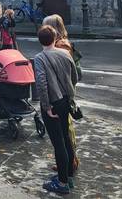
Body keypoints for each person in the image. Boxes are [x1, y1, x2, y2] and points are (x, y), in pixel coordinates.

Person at [35, 25, 78, 195]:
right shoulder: (65, 54)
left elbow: (41, 83)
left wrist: (46, 106)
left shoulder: (40, 58)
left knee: (58, 142)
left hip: (52, 103)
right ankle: (68, 176)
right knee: (66, 138)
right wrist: (70, 92)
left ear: (40, 40)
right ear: (54, 38)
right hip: (66, 101)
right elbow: (75, 76)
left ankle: (61, 182)